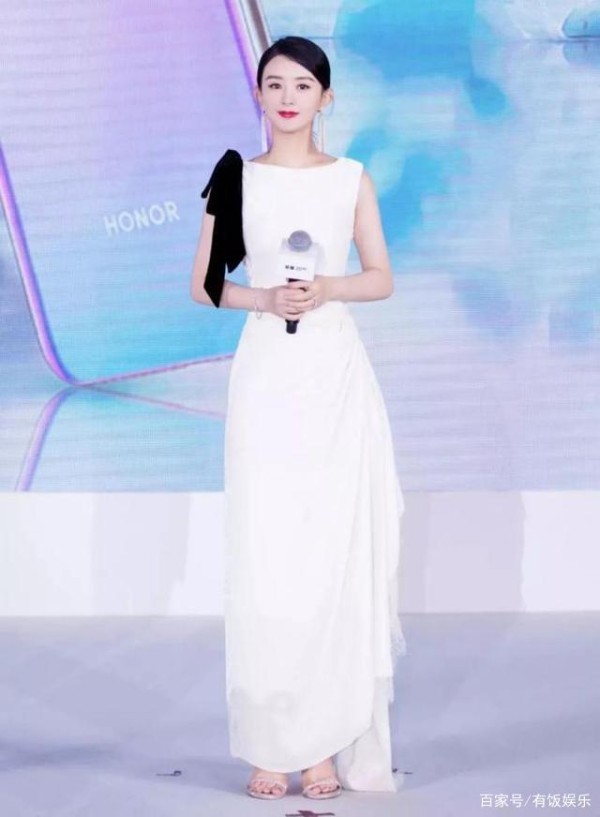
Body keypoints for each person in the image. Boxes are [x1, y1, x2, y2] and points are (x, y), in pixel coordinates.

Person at [190, 35, 407, 801]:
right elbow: (204, 284)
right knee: (266, 555)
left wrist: (326, 289)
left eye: (303, 85)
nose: (288, 97)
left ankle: (321, 745)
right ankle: (270, 742)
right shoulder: (235, 176)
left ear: (326, 98)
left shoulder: (350, 178)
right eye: (275, 83)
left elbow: (380, 278)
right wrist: (266, 297)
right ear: (258, 93)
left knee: (328, 556)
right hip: (265, 377)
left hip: (334, 378)